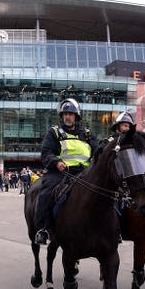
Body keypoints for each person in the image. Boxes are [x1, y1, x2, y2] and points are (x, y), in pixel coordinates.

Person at [34, 98, 97, 245]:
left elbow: (97, 152)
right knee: (46, 192)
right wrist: (56, 162)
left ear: (76, 116)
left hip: (84, 174)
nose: (67, 116)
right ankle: (42, 229)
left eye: (70, 114)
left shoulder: (87, 134)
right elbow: (46, 153)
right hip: (61, 172)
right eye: (65, 114)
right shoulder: (54, 132)